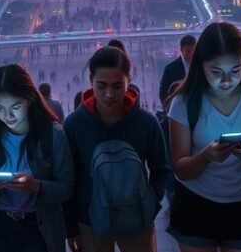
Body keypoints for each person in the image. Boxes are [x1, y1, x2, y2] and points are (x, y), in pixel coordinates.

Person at [167, 23, 241, 252]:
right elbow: (180, 169)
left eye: (235, 70)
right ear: (200, 66)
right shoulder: (184, 102)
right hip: (194, 205)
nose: (226, 80)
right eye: (216, 72)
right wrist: (205, 156)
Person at [63, 46, 169, 252]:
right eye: (101, 85)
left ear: (129, 81)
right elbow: (69, 177)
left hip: (138, 219)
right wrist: (71, 227)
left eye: (117, 86)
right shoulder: (74, 125)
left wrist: (150, 205)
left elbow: (161, 168)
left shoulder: (146, 123)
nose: (109, 94)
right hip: (90, 222)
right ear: (90, 81)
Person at [0, 65, 74, 252]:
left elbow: (67, 188)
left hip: (39, 228)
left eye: (15, 107)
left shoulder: (53, 136)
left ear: (31, 100)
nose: (7, 116)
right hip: (0, 227)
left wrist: (35, 186)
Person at [160, 35, 197, 106]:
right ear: (181, 50)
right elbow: (163, 92)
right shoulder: (170, 69)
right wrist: (168, 110)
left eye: (194, 51)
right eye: (188, 51)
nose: (192, 54)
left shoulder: (202, 66)